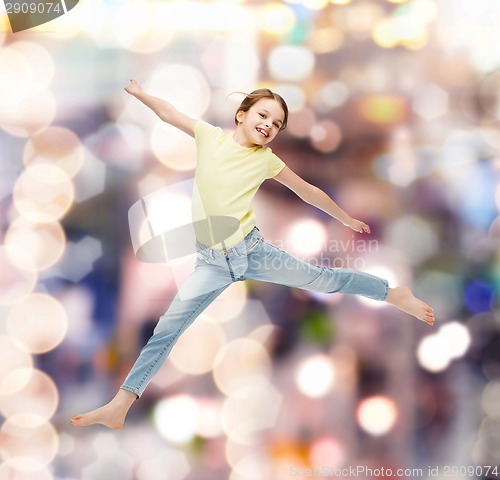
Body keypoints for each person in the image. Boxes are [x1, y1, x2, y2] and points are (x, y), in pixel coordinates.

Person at [70, 80, 434, 429]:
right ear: (241, 114)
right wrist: (141, 94)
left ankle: (392, 293)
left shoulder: (267, 161)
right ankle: (121, 403)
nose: (268, 126)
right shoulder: (209, 138)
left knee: (324, 279)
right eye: (262, 116)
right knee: (168, 329)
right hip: (212, 262)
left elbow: (307, 191)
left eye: (276, 124)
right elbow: (170, 114)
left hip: (252, 252)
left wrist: (345, 217)